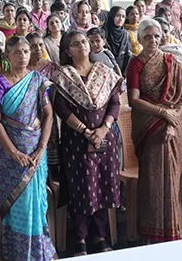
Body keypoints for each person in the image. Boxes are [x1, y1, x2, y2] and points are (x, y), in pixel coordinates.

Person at [0, 36, 56, 261]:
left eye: (26, 51)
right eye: (17, 52)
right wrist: (14, 153)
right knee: (19, 207)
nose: (22, 56)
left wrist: (41, 148)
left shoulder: (37, 80)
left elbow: (48, 115)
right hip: (9, 158)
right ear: (7, 55)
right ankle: (18, 255)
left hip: (35, 154)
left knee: (37, 205)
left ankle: (39, 253)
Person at [52, 30, 121, 255]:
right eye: (75, 44)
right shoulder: (63, 76)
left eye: (84, 41)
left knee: (102, 185)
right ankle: (80, 238)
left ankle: (100, 236)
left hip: (104, 139)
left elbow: (114, 104)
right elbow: (61, 108)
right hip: (76, 141)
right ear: (67, 51)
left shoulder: (104, 72)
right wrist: (84, 130)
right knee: (80, 186)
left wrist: (103, 129)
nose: (82, 45)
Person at [126, 18, 182, 242]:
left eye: (156, 36)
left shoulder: (172, 62)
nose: (153, 40)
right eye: (148, 37)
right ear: (140, 39)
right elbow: (133, 100)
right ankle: (152, 233)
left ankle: (173, 230)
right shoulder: (135, 64)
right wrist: (162, 113)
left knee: (172, 179)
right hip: (148, 127)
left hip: (172, 127)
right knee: (152, 181)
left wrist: (171, 121)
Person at [101, 6, 132, 74]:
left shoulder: (125, 34)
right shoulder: (103, 32)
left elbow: (128, 54)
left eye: (123, 16)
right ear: (112, 16)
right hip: (105, 70)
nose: (121, 19)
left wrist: (124, 74)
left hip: (122, 69)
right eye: (117, 16)